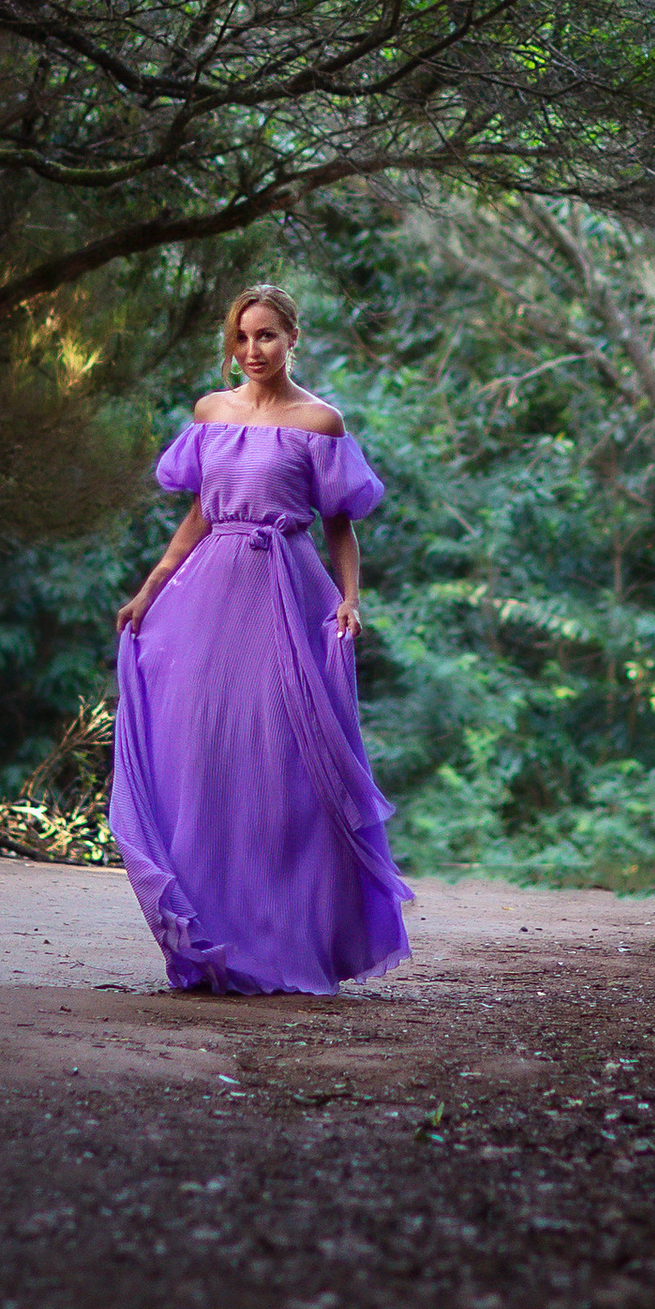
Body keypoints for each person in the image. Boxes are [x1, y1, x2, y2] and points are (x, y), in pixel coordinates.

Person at [109, 282, 413, 995]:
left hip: (287, 594)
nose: (253, 350)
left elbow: (339, 522)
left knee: (287, 767)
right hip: (210, 598)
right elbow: (198, 516)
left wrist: (349, 599)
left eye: (267, 336)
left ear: (292, 338)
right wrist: (151, 588)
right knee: (200, 755)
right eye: (242, 337)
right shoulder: (211, 413)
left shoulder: (321, 422)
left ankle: (287, 936)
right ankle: (206, 935)